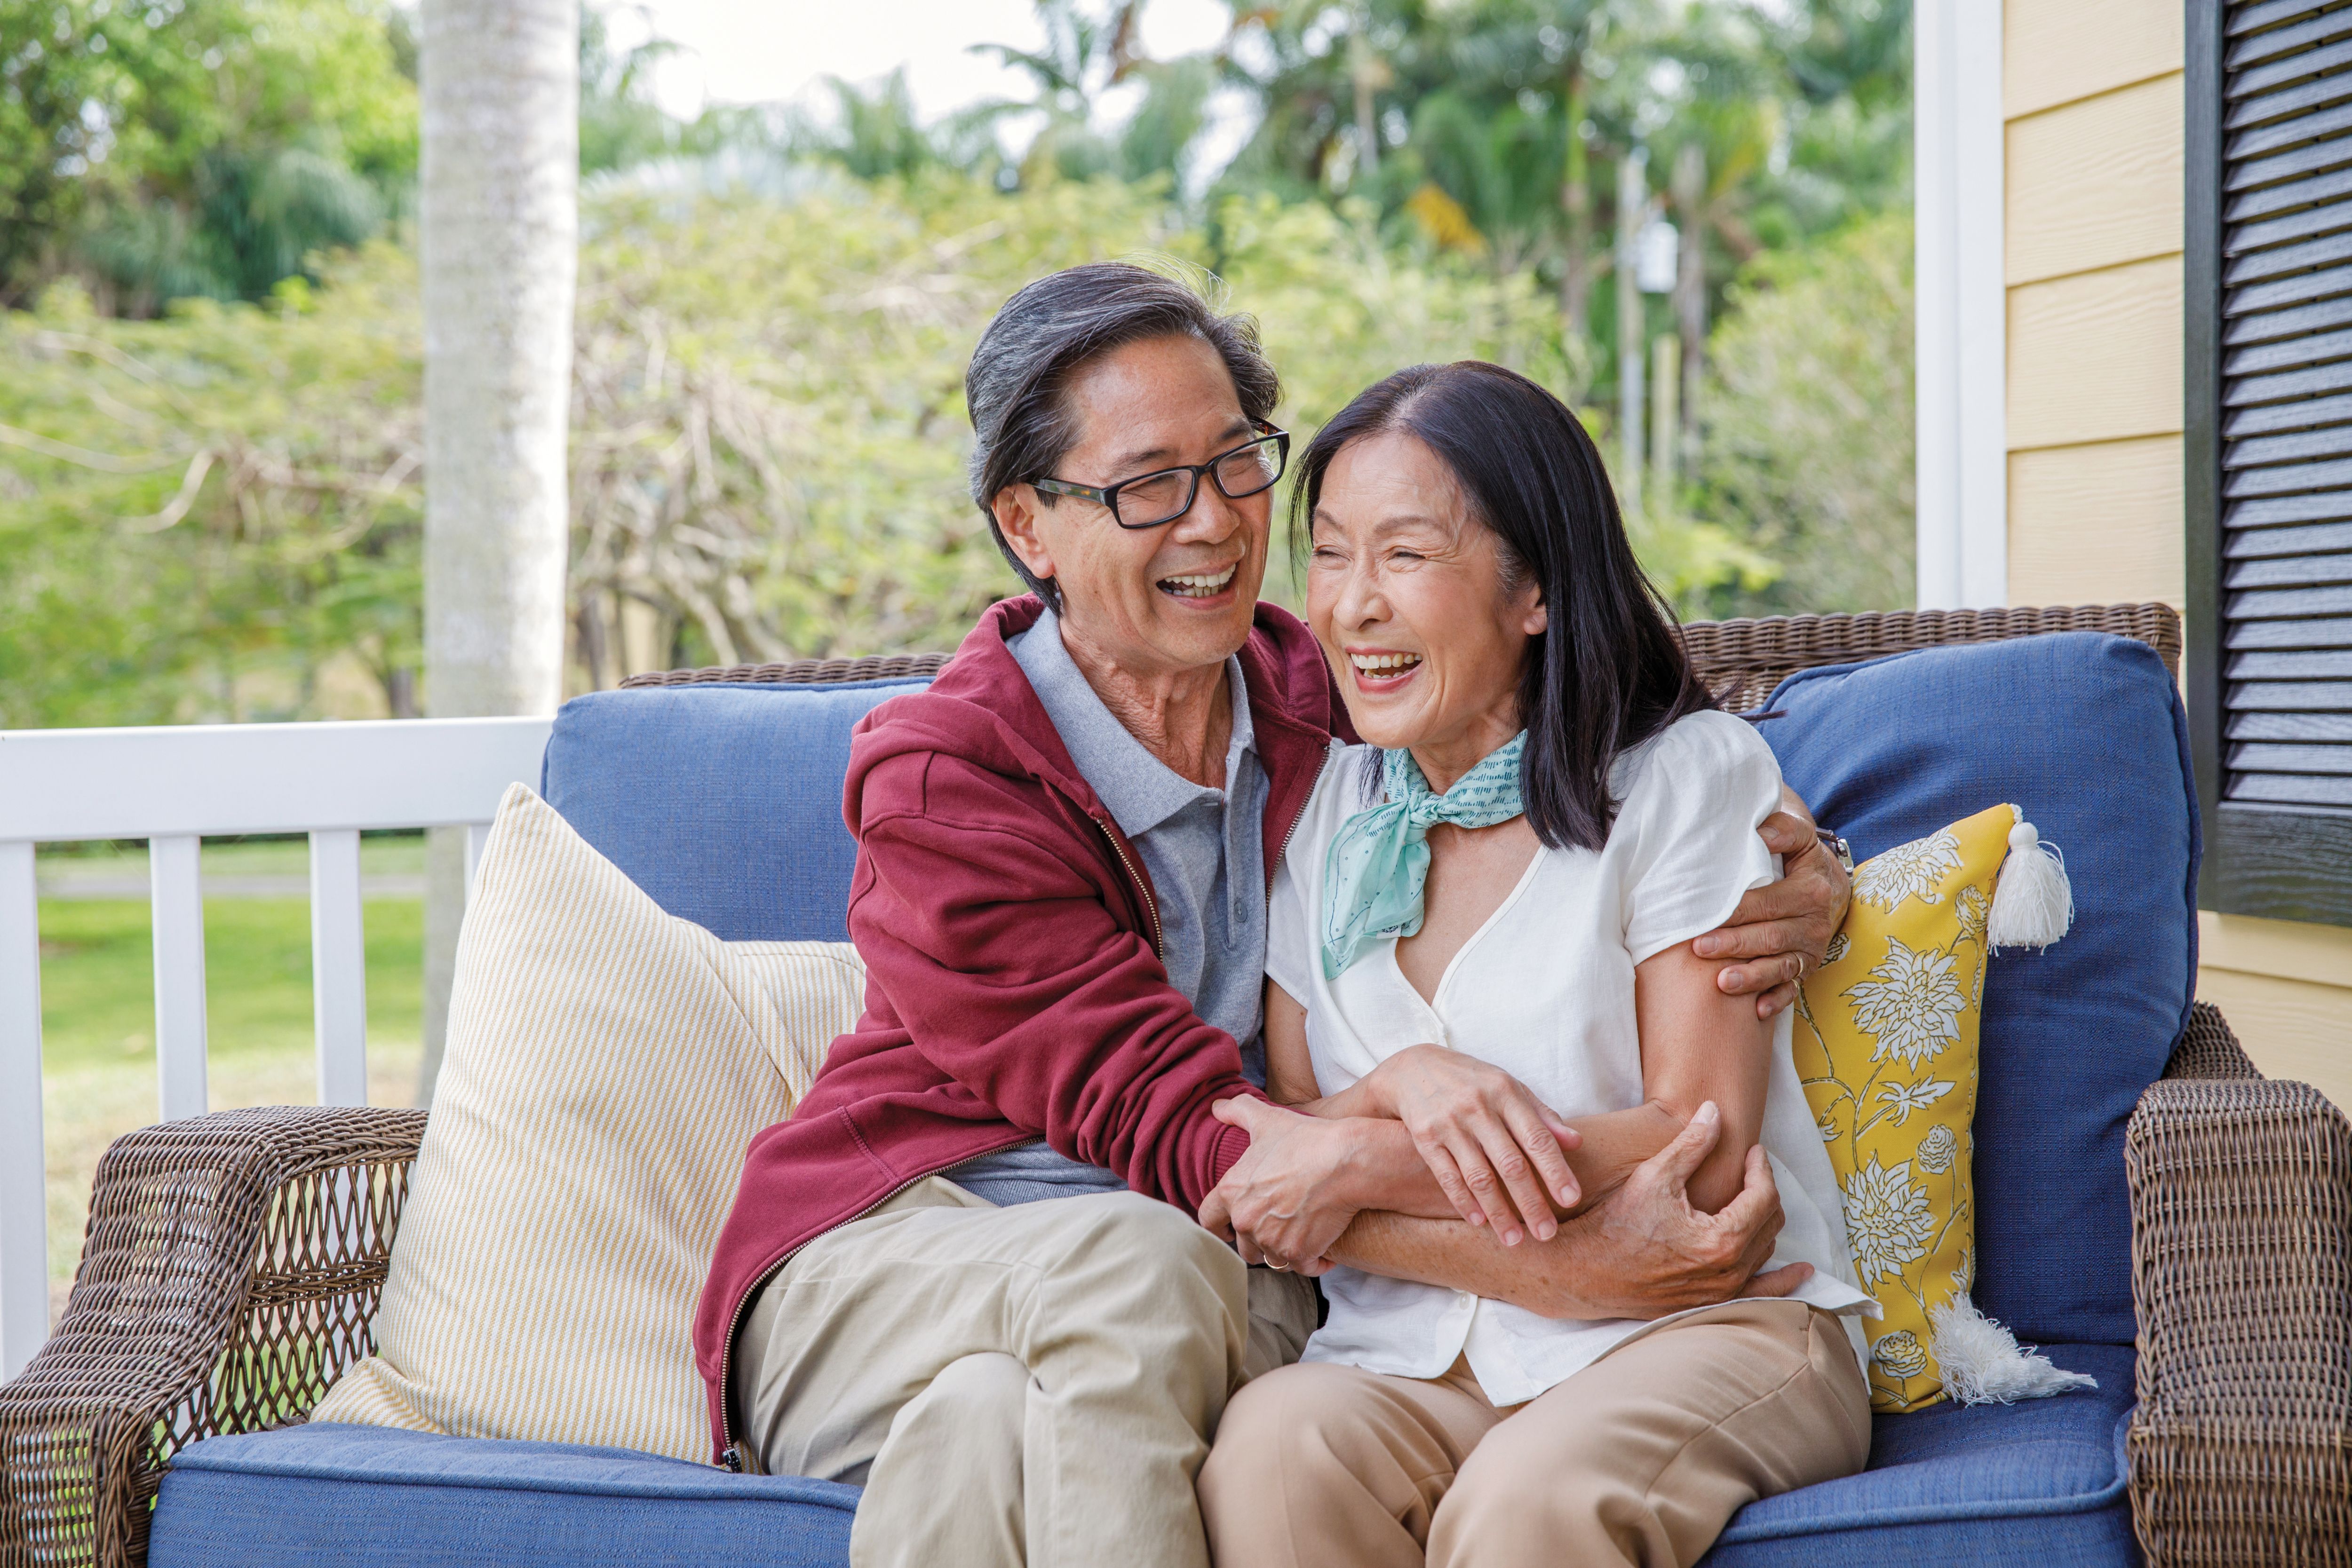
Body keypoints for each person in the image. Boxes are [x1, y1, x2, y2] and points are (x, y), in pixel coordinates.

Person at [689, 263, 1853, 1568]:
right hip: (906, 1251)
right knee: (1134, 1272)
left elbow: (1594, 737)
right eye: (1146, 485)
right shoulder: (947, 778)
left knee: (984, 1427)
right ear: (1029, 524)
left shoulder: (1326, 710)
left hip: (1204, 1273)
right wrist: (1552, 1253)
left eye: (1237, 463)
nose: (1215, 523)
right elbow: (1188, 1133)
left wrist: (1816, 877)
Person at [1194, 361, 1873, 1568]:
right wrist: (1389, 1097)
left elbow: (1696, 1139)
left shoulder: (1682, 779)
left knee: (1524, 1502)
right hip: (1410, 1353)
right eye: (1333, 554)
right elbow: (1294, 1120)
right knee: (1271, 1449)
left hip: (1707, 1315)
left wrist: (1360, 1158)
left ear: (1537, 591)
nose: (1351, 606)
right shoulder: (1319, 811)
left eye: (1405, 555)